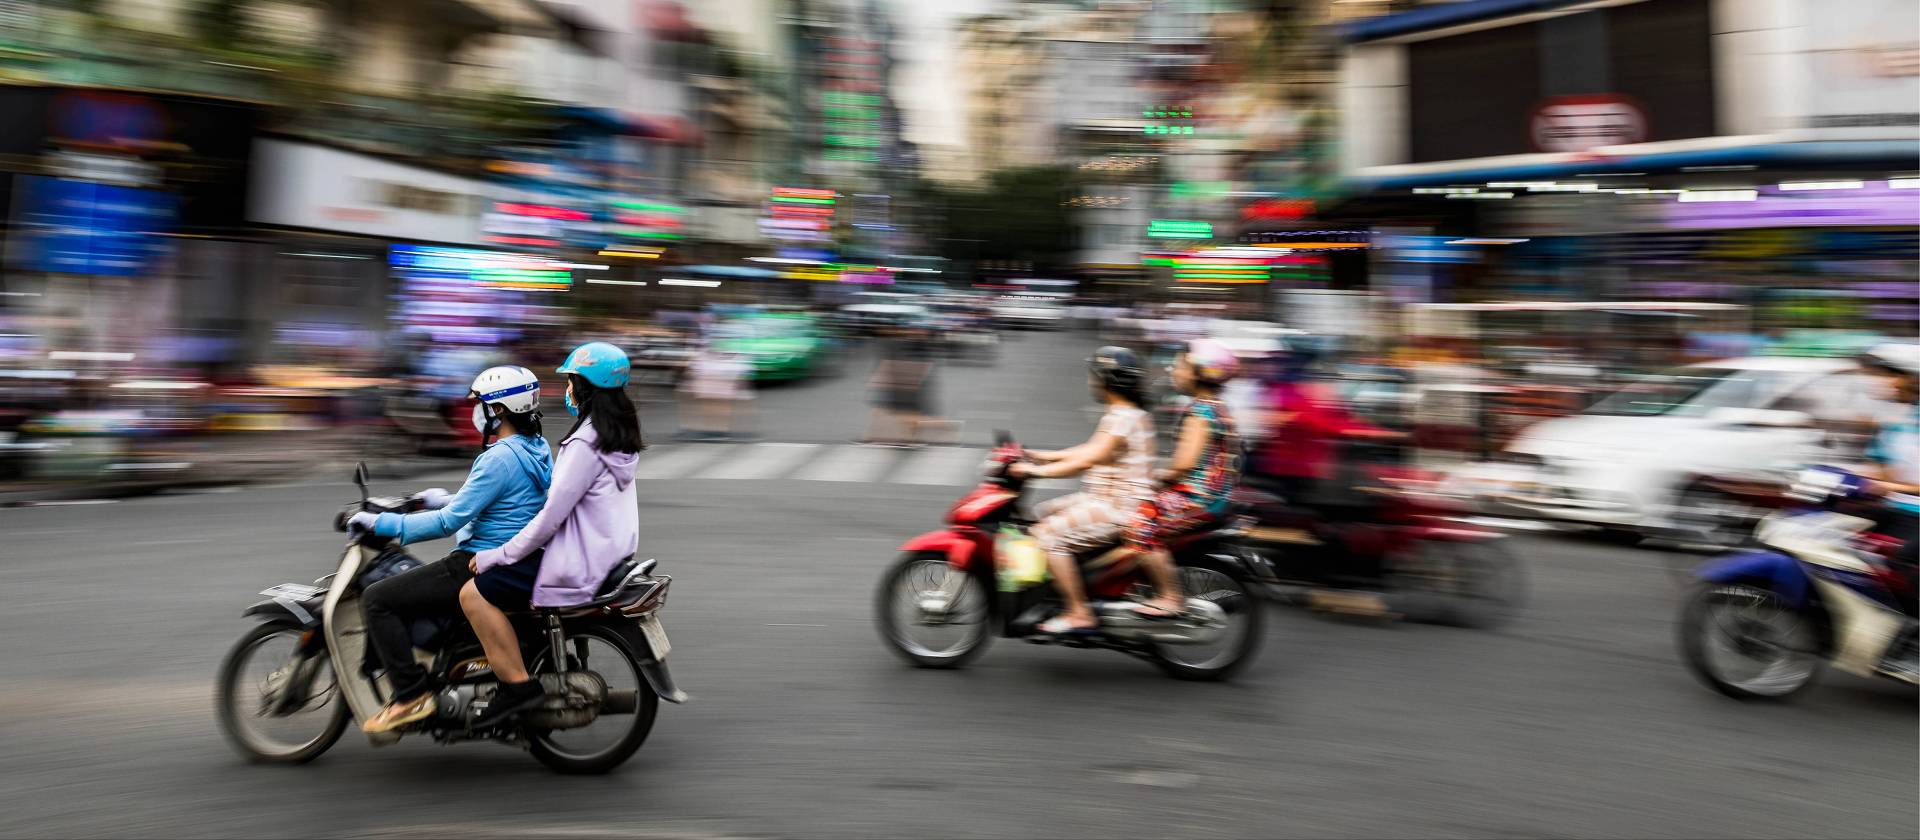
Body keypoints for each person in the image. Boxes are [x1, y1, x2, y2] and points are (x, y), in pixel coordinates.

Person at [349, 365, 554, 734]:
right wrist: (437, 498)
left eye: (481, 404)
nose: (476, 411)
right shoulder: (535, 448)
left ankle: (411, 694)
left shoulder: (497, 457)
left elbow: (449, 523)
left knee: (378, 599)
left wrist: (379, 524)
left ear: (500, 410)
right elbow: (500, 499)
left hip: (476, 560)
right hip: (512, 555)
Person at [461, 341, 644, 730]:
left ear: (586, 388)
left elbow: (550, 519)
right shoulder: (618, 437)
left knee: (473, 592)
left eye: (571, 382)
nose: (567, 391)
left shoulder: (584, 443)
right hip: (607, 554)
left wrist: (499, 555)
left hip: (576, 560)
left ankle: (515, 688)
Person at [1009, 347, 1157, 634]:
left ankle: (1079, 611)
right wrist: (1040, 455)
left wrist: (1035, 471)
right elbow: (1089, 450)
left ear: (1107, 381)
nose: (1091, 382)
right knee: (1039, 515)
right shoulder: (1123, 413)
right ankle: (1071, 584)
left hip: (1118, 506)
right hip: (1104, 497)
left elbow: (1089, 459)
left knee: (1047, 535)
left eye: (1095, 377)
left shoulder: (1123, 417)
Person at [1124, 339, 1245, 618]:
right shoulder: (1218, 408)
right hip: (1212, 496)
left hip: (1200, 499)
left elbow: (1183, 465)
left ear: (1200, 374)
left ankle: (1170, 596)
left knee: (1142, 521)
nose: (1173, 370)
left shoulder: (1200, 412)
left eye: (1180, 366)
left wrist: (1156, 478)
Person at [1858, 343, 1920, 580]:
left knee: (1903, 562)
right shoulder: (1893, 423)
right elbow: (1880, 473)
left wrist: (1889, 487)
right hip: (1897, 511)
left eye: (1892, 375)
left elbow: (1888, 484)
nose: (1884, 382)